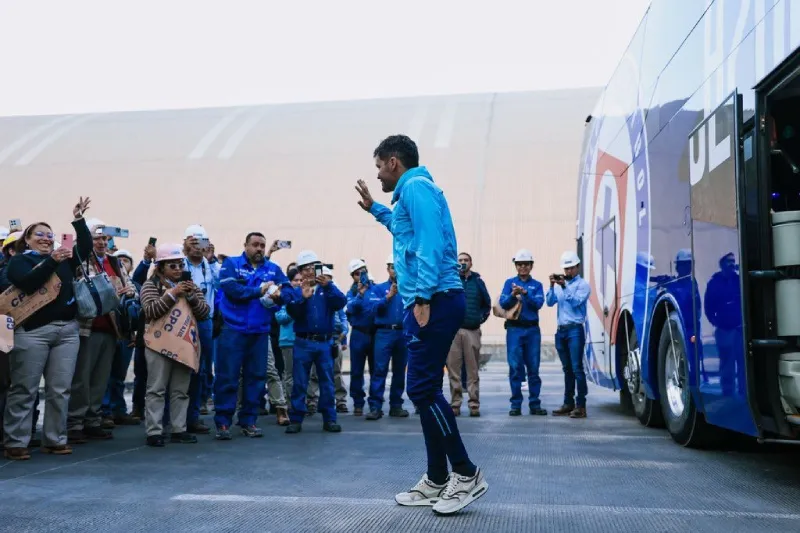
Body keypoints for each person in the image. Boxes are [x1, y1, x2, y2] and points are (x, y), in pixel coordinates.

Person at [356, 134, 487, 515]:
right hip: (428, 298)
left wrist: (425, 297)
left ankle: (465, 473)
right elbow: (407, 233)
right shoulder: (410, 194)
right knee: (424, 389)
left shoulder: (416, 188)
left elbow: (430, 243)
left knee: (422, 388)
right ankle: (437, 478)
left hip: (435, 299)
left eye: (379, 166)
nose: (378, 175)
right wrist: (374, 209)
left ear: (393, 162)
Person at [3, 197, 93, 460]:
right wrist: (52, 261)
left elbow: (85, 247)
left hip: (67, 331)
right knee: (25, 388)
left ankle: (55, 439)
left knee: (60, 389)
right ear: (27, 240)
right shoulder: (20, 261)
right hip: (33, 332)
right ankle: (16, 441)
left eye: (49, 234)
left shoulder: (64, 260)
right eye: (39, 234)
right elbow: (28, 283)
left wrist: (79, 221)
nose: (45, 238)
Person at [214, 232, 288, 440]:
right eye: (255, 245)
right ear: (245, 245)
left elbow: (287, 289)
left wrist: (280, 296)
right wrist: (258, 291)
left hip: (260, 332)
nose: (259, 249)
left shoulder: (273, 269)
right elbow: (231, 289)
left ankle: (249, 421)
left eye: (262, 245)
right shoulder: (231, 264)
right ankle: (223, 422)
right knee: (228, 377)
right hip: (233, 330)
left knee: (256, 378)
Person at [140, 243, 210, 447]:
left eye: (180, 265)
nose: (178, 269)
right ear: (161, 267)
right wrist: (172, 294)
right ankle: (154, 431)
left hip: (184, 344)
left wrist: (191, 297)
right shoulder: (150, 285)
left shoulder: (190, 286)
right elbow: (150, 311)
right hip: (157, 344)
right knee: (156, 389)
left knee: (181, 390)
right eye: (172, 265)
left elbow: (205, 313)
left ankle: (179, 429)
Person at [284, 251, 346, 434]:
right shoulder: (296, 292)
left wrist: (329, 285)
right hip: (303, 342)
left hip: (324, 342)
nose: (310, 271)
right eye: (306, 268)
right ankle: (296, 419)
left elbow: (341, 302)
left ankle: (329, 418)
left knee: (327, 382)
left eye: (314, 267)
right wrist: (303, 299)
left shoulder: (328, 290)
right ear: (300, 272)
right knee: (300, 382)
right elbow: (292, 312)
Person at [499, 248, 547, 417]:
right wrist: (513, 295)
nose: (523, 267)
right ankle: (515, 405)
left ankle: (535, 404)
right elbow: (503, 303)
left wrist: (526, 294)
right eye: (519, 264)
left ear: (531, 266)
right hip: (514, 329)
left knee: (533, 368)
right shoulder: (509, 283)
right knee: (515, 367)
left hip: (532, 330)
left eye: (526, 264)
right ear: (516, 266)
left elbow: (538, 304)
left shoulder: (537, 285)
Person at [546, 251, 591, 419]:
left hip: (575, 330)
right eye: (566, 269)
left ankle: (581, 405)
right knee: (567, 369)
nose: (568, 271)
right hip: (561, 330)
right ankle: (568, 403)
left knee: (577, 368)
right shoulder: (559, 285)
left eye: (571, 268)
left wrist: (564, 286)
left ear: (578, 267)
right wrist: (552, 286)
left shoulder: (583, 285)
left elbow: (576, 302)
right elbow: (549, 302)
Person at [446, 252, 491, 417]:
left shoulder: (478, 282)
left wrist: (479, 318)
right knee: (454, 370)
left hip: (472, 331)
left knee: (472, 371)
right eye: (460, 260)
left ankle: (474, 404)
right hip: (453, 333)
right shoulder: (449, 281)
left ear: (471, 263)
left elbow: (487, 304)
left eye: (466, 260)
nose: (463, 262)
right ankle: (455, 404)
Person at [367, 254, 409, 419]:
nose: (395, 270)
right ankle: (375, 406)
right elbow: (371, 309)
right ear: (387, 269)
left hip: (402, 333)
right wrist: (388, 297)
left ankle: (396, 405)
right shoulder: (378, 289)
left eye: (398, 267)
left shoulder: (408, 288)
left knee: (399, 370)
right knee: (379, 369)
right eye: (392, 267)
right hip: (384, 332)